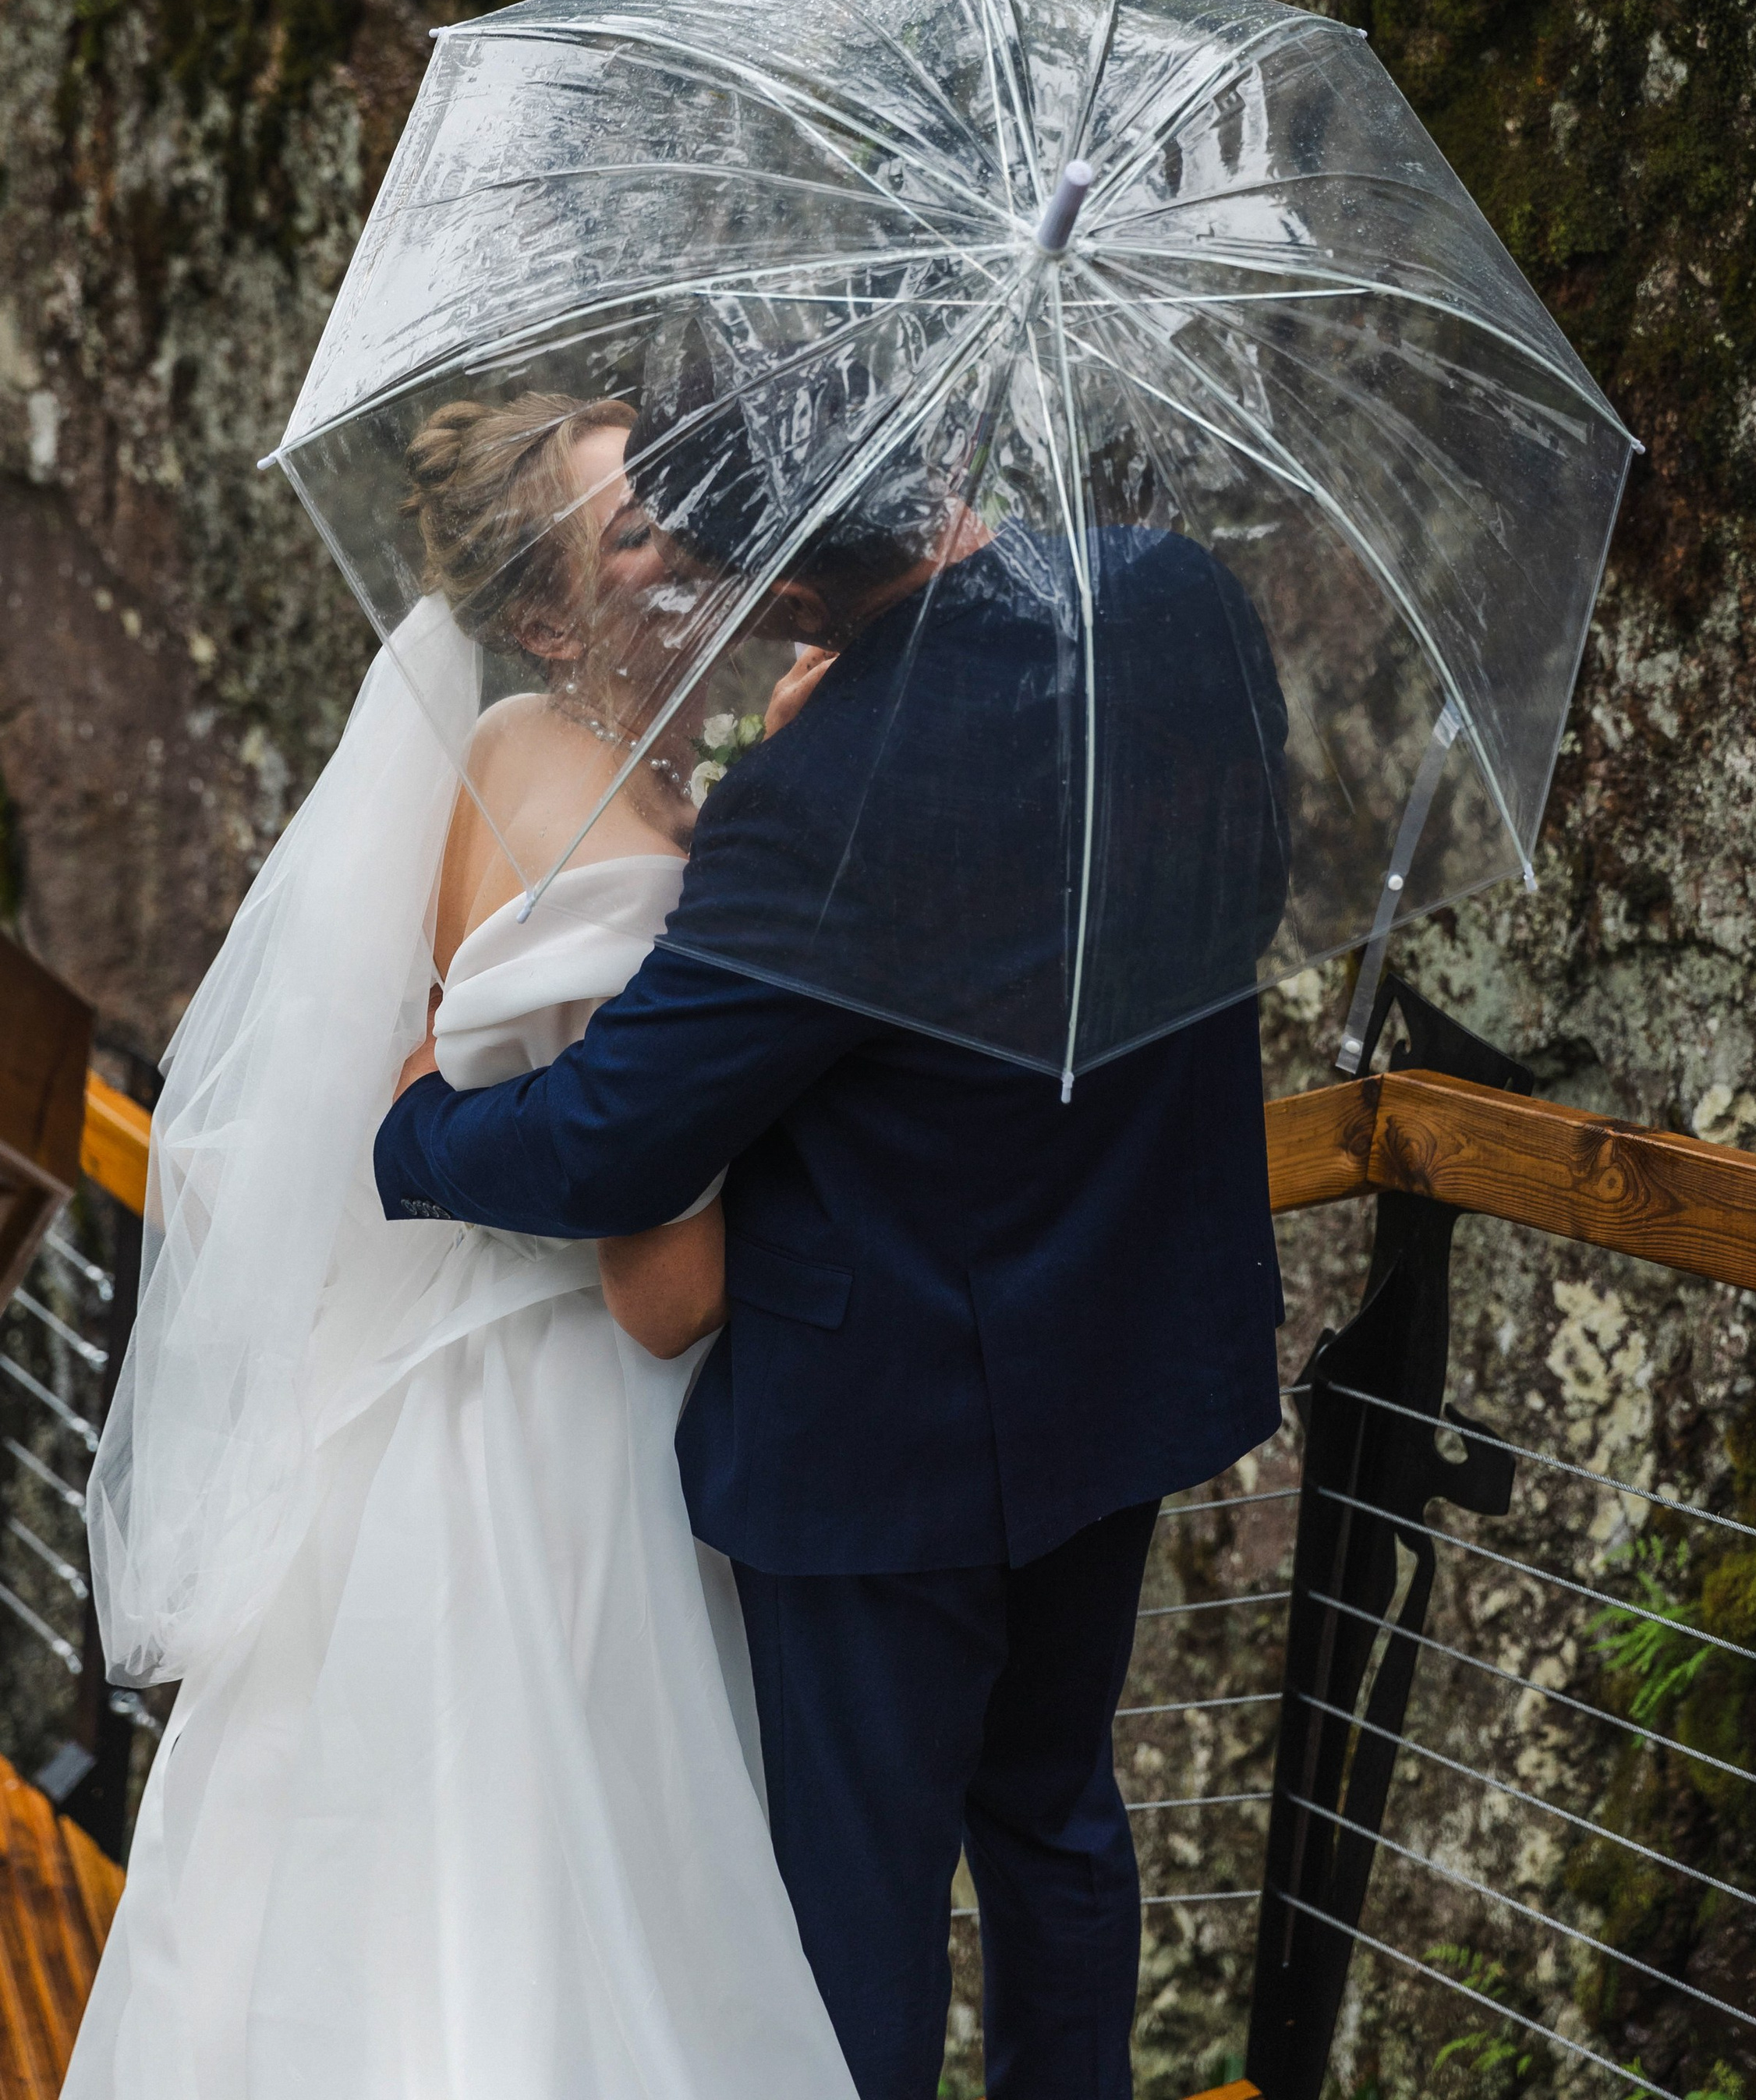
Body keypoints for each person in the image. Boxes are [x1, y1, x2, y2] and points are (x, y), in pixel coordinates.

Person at [374, 383, 1293, 2100]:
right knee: (1055, 1825)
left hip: (883, 1439)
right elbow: (1241, 885)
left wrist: (410, 1131)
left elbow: (610, 1138)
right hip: (1121, 1347)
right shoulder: (1172, 596)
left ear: (791, 584)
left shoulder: (825, 789)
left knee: (850, 1916)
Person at [73, 393, 854, 2100]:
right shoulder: (632, 867)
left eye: (684, 501)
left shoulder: (506, 749)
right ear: (554, 613)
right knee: (548, 1911)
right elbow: (668, 1299)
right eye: (639, 531)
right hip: (564, 1448)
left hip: (409, 1411)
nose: (696, 541)